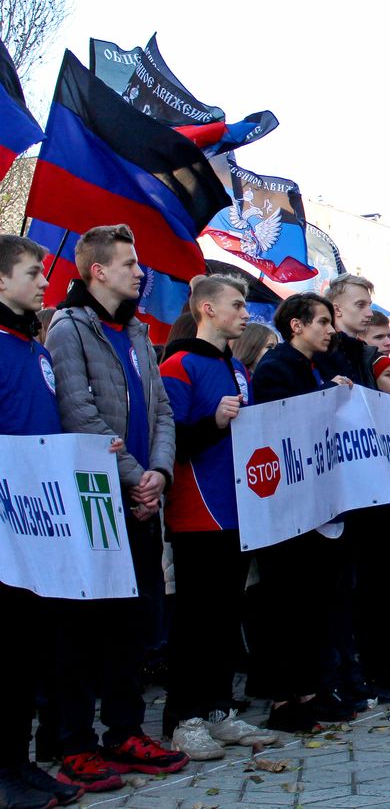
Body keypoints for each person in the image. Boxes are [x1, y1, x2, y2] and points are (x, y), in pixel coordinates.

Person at [45, 225, 188, 791]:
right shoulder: (69, 328)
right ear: (97, 271)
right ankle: (74, 742)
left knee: (133, 622)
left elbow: (163, 412)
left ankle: (125, 729)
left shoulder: (135, 330)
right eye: (128, 263)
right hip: (97, 500)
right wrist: (135, 477)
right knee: (87, 626)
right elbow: (76, 409)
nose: (139, 271)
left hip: (140, 501)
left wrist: (158, 474)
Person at [158, 275, 277, 759]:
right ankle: (183, 720)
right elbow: (171, 442)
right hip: (196, 512)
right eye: (237, 304)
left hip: (236, 509)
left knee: (226, 618)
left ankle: (216, 711)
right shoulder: (178, 365)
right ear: (207, 309)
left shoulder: (235, 367)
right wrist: (214, 422)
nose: (246, 312)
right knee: (196, 621)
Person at [0, 236, 88, 808]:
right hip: (5, 522)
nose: (43, 282)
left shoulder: (30, 346)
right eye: (32, 273)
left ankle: (22, 763)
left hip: (38, 520)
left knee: (29, 651)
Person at [250, 293, 357, 732]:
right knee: (286, 606)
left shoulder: (316, 368)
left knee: (315, 605)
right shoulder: (277, 369)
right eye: (323, 322)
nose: (331, 330)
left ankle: (310, 690)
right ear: (296, 325)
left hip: (319, 505)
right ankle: (283, 698)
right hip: (286, 507)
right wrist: (325, 398)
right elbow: (284, 424)